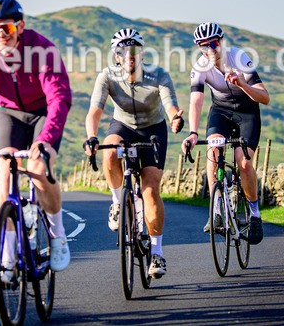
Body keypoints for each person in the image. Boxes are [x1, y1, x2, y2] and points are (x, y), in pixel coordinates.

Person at [0, 0, 73, 282]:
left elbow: (59, 97)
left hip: (43, 113)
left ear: (20, 26)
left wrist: (46, 140)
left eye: (6, 29)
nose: (0, 35)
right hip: (9, 113)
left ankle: (58, 235)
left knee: (38, 170)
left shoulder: (42, 49)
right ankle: (7, 259)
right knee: (4, 173)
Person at [83, 28, 184, 279]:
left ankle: (157, 253)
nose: (129, 56)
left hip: (153, 129)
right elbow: (95, 111)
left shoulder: (158, 74)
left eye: (134, 51)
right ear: (116, 55)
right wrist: (91, 137)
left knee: (150, 190)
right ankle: (118, 202)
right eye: (123, 51)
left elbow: (170, 105)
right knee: (109, 153)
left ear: (141, 54)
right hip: (123, 126)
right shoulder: (107, 76)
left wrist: (175, 119)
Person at [182, 22, 270, 245]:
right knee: (213, 149)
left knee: (243, 163)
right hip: (220, 112)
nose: (209, 50)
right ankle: (216, 209)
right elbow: (196, 100)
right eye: (203, 46)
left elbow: (264, 97)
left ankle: (255, 214)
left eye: (213, 44)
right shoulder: (200, 66)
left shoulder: (239, 58)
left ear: (221, 42)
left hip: (247, 112)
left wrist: (242, 84)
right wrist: (193, 132)